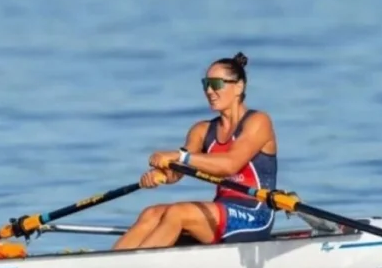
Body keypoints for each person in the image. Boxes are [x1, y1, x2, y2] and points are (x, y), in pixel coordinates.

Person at [112, 52, 278, 250]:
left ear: (238, 87)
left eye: (216, 84)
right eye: (205, 84)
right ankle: (108, 265)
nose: (209, 90)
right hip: (221, 210)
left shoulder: (258, 121)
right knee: (151, 213)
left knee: (179, 213)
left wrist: (180, 156)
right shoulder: (202, 130)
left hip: (254, 214)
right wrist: (162, 175)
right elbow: (178, 171)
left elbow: (230, 164)